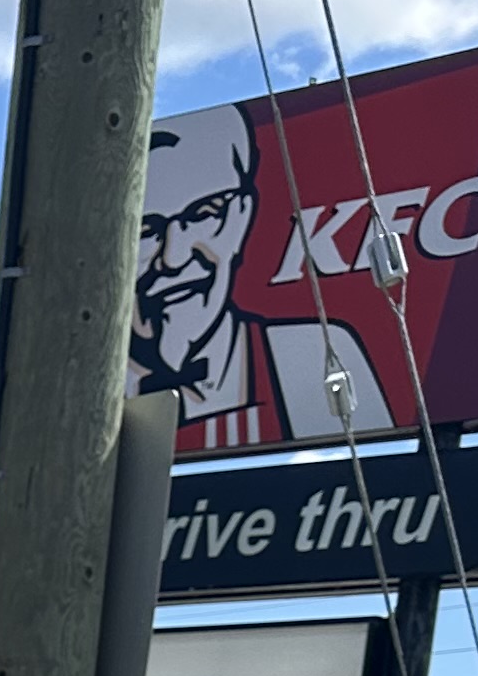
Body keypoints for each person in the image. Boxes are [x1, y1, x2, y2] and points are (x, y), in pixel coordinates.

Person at [135, 100, 393, 456]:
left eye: (205, 213)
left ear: (243, 216)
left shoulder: (314, 355)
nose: (174, 257)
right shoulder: (66, 388)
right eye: (144, 230)